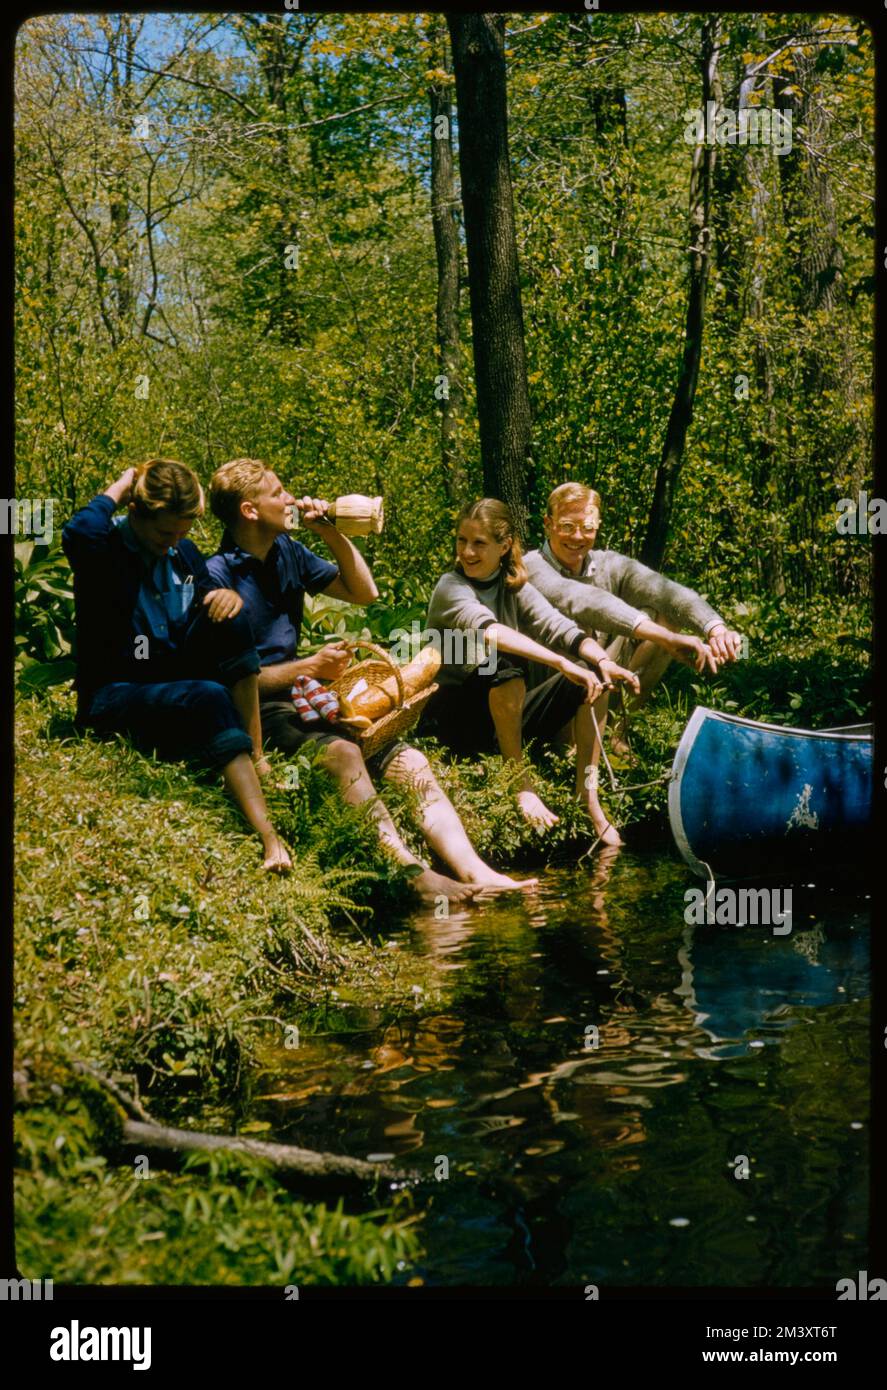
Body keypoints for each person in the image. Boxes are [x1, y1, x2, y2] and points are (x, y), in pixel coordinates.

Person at [206, 459, 535, 902]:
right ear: (249, 511)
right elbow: (230, 679)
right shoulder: (218, 577)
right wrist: (308, 667)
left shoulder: (288, 552)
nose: (290, 499)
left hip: (311, 696)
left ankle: (476, 870)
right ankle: (412, 874)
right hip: (261, 708)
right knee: (343, 752)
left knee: (411, 761)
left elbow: (364, 592)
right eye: (278, 492)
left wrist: (330, 530)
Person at [62, 460, 291, 873]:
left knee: (232, 618)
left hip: (169, 676)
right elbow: (79, 528)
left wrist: (225, 598)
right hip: (116, 690)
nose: (173, 543)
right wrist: (124, 483)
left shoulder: (182, 552)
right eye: (164, 532)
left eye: (183, 533)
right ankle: (268, 838)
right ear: (133, 511)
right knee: (207, 695)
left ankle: (255, 755)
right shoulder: (102, 551)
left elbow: (204, 595)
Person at [421, 498, 641, 846]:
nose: (467, 552)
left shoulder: (513, 584)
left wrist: (602, 661)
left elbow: (558, 626)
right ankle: (520, 785)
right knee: (502, 664)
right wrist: (559, 663)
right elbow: (491, 632)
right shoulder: (451, 587)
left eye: (479, 543)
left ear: (504, 546)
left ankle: (588, 797)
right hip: (451, 720)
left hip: (499, 714)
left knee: (592, 676)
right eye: (462, 541)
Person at [524, 483, 744, 753]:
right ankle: (567, 743)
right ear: (548, 524)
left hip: (599, 674)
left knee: (665, 614)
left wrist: (716, 628)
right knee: (579, 633)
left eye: (588, 528)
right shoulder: (531, 566)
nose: (578, 536)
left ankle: (617, 733)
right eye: (567, 526)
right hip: (545, 696)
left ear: (598, 526)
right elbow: (582, 600)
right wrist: (666, 639)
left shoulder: (607, 563)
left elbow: (666, 591)